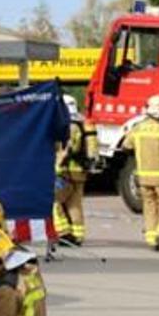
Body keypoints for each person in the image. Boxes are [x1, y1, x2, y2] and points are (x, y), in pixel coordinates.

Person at [121, 95, 159, 253]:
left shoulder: (137, 128)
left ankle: (151, 238)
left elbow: (126, 148)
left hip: (143, 177)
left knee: (149, 206)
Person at [53, 94, 95, 246]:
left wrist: (58, 167)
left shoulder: (68, 126)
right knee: (74, 204)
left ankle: (64, 233)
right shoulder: (82, 124)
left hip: (65, 171)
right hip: (79, 172)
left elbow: (66, 150)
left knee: (54, 202)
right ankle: (77, 235)